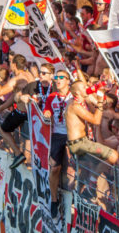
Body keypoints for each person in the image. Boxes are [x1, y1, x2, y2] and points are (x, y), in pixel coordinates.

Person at [65, 81, 118, 164]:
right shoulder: (75, 106)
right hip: (79, 144)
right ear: (78, 92)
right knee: (113, 155)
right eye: (84, 87)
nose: (87, 88)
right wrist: (100, 100)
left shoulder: (74, 101)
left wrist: (97, 91)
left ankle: (97, 176)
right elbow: (96, 120)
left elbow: (89, 99)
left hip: (82, 142)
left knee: (93, 167)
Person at [42, 69, 72, 217]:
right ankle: (54, 200)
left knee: (73, 167)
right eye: (56, 77)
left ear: (68, 80)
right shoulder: (51, 97)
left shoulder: (74, 96)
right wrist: (47, 113)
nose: (58, 79)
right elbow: (46, 112)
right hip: (58, 134)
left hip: (73, 134)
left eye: (61, 77)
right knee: (54, 168)